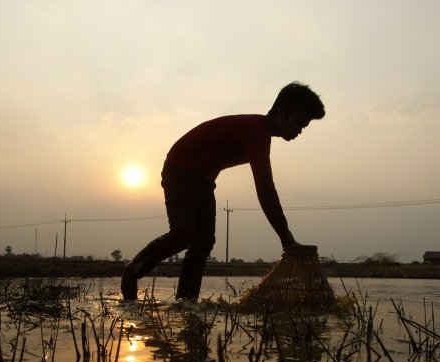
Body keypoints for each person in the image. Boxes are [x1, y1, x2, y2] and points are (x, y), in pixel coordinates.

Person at [121, 82, 325, 302]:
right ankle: (132, 271)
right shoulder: (256, 130)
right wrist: (287, 239)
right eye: (298, 122)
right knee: (182, 234)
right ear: (282, 112)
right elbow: (265, 187)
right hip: (179, 170)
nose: (299, 131)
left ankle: (186, 302)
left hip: (204, 180)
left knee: (204, 241)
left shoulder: (260, 134)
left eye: (304, 126)